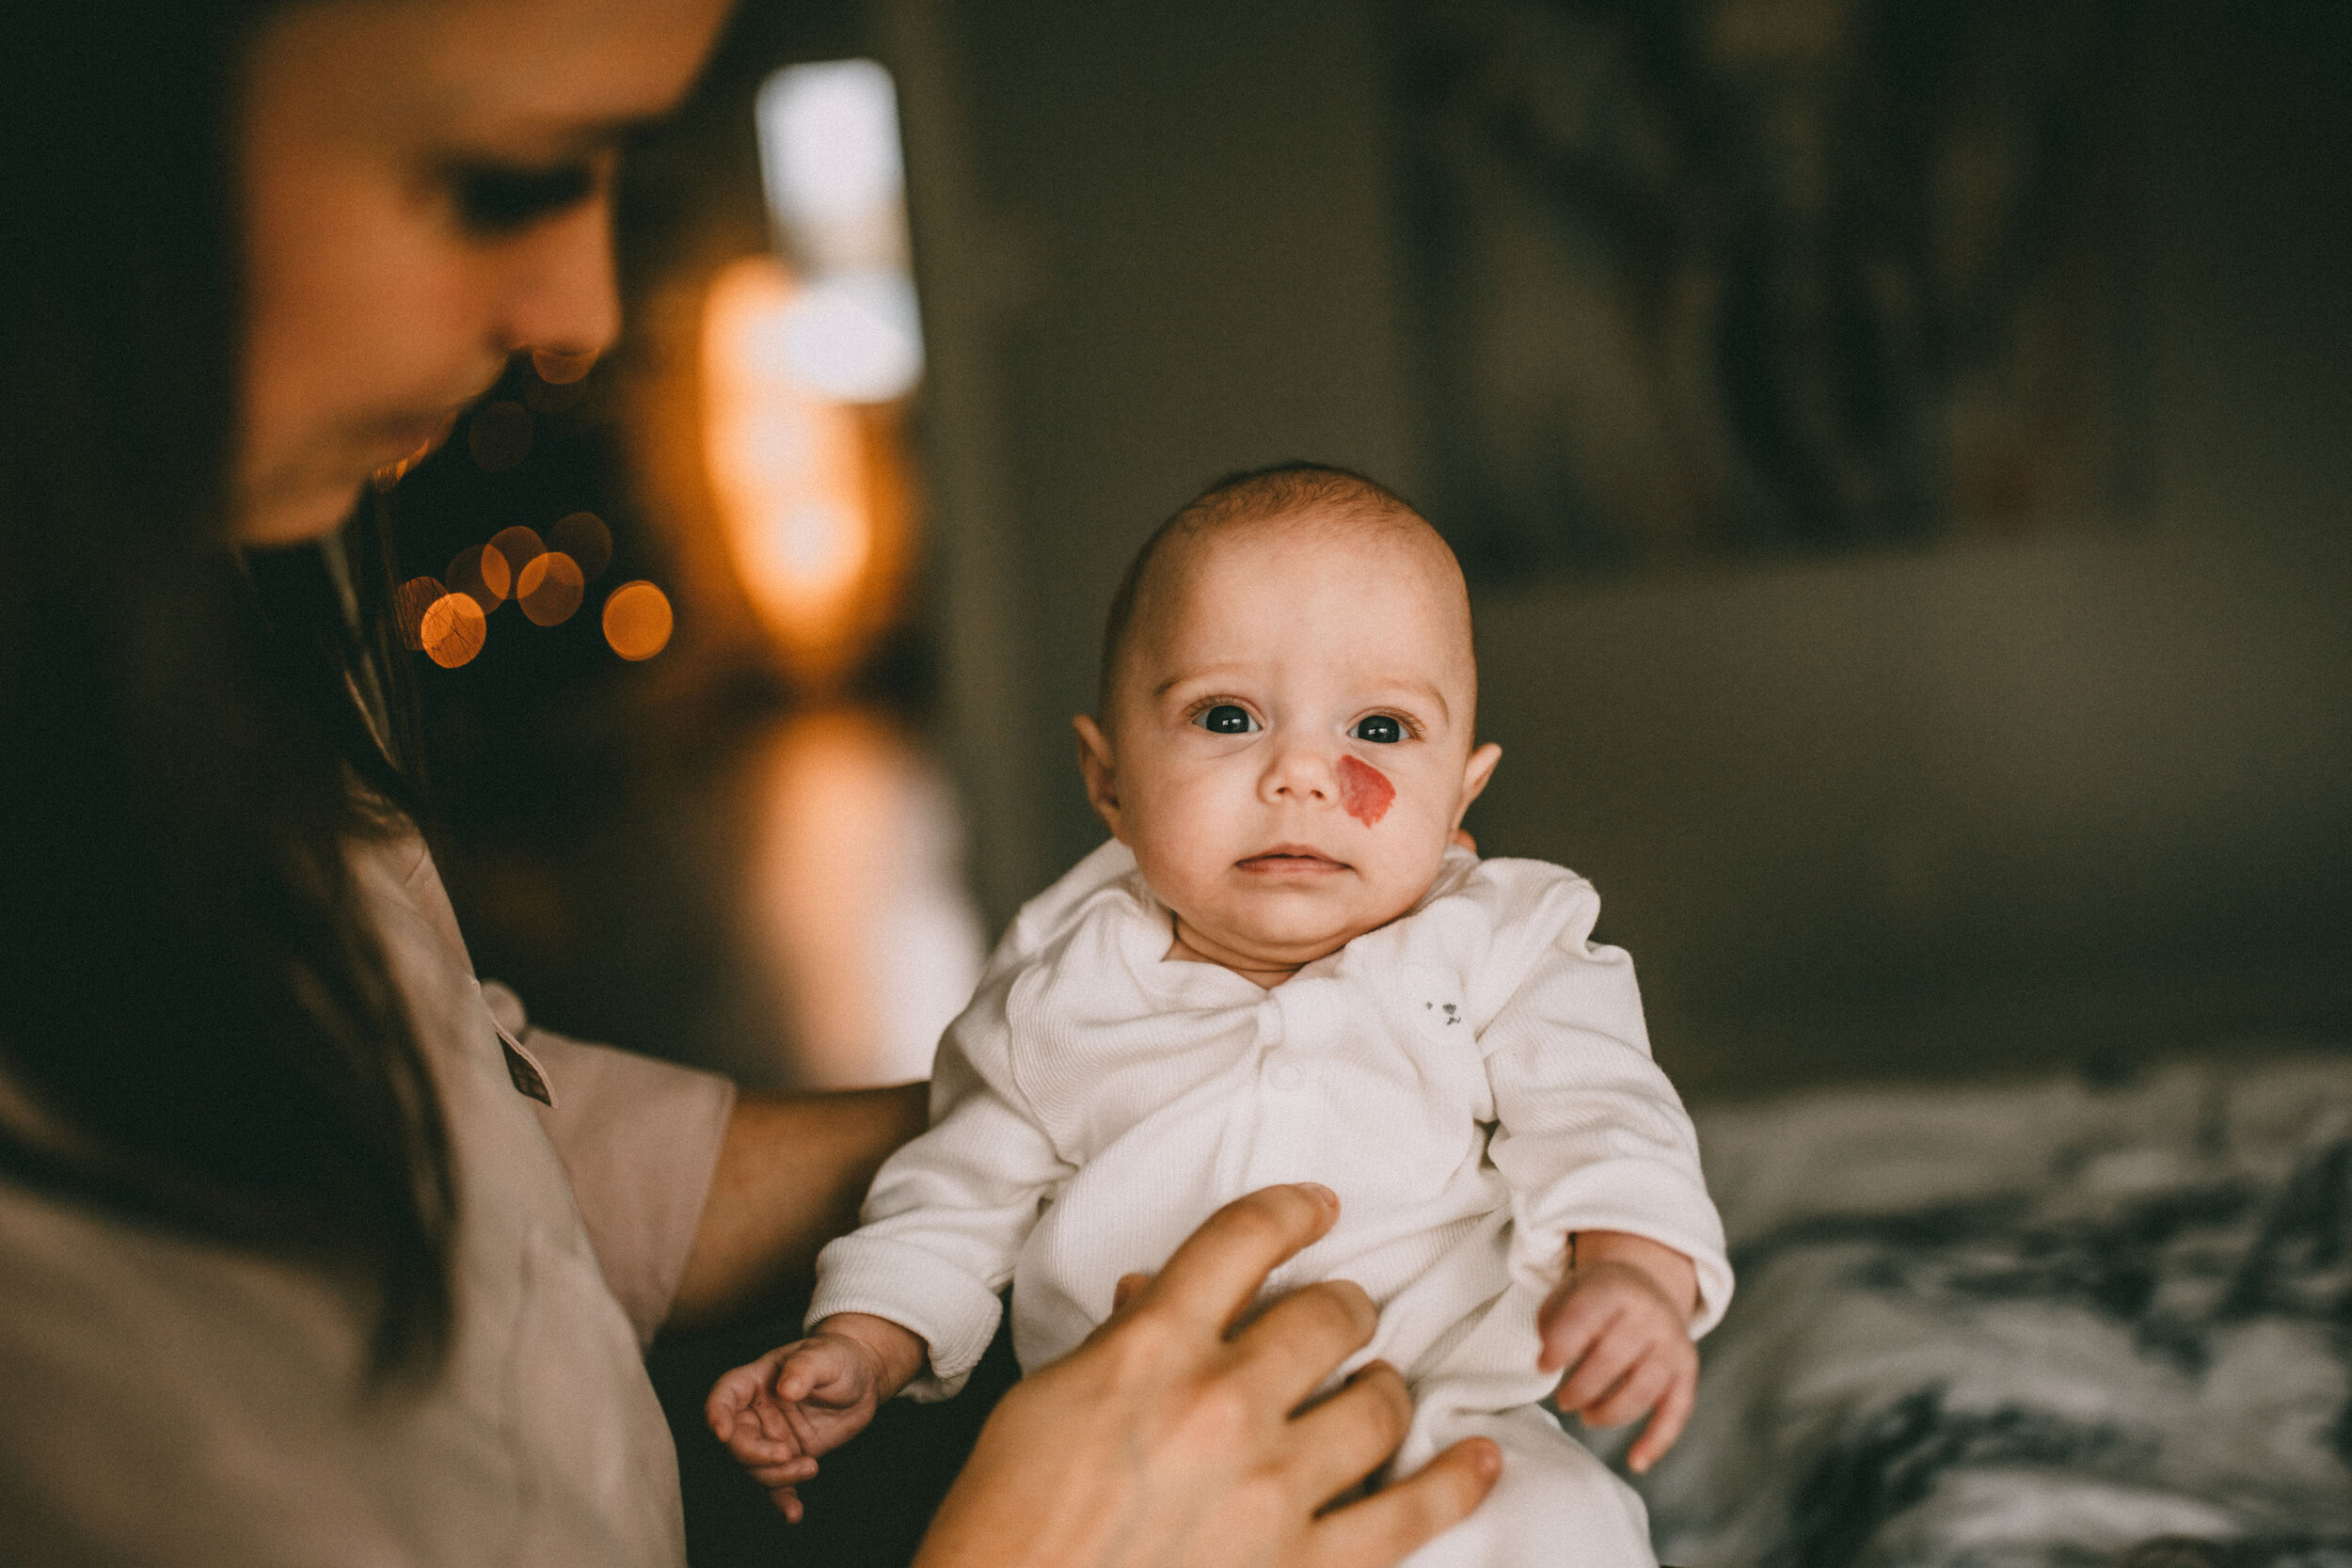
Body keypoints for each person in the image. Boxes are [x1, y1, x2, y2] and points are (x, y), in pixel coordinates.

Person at [0, 5, 1501, 1564]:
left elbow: (446, 1095)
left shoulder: (179, 696)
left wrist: (1111, 1098)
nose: (579, 319)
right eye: (505, 177)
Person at [707, 467, 1733, 1565]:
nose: (1300, 772)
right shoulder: (1056, 996)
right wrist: (863, 1338)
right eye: (1226, 715)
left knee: (1558, 1524)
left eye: (1379, 725)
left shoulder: (1501, 944)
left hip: (1444, 1419)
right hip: (1141, 1481)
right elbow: (953, 1198)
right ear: (1109, 780)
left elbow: (1605, 1111)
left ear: (1459, 796)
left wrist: (1633, 1267)